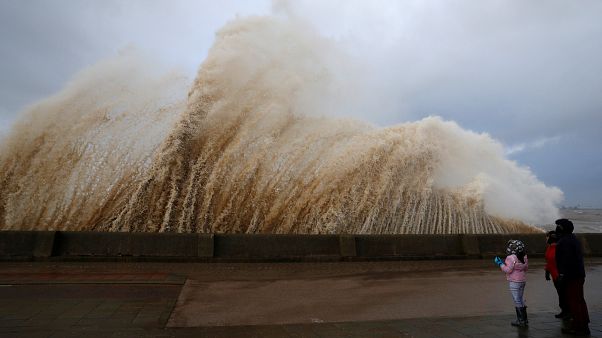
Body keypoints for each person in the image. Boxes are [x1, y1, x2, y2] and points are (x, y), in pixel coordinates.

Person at [555, 218, 590, 336]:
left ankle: (579, 327)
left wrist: (562, 275)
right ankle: (583, 324)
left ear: (562, 229)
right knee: (579, 300)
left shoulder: (565, 242)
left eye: (558, 226)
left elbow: (566, 261)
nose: (556, 228)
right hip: (578, 274)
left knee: (574, 302)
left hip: (572, 276)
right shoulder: (573, 239)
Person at [494, 239, 528, 327]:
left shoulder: (510, 258)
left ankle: (521, 321)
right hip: (522, 280)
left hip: (514, 281)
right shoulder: (524, 256)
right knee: (520, 298)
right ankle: (525, 319)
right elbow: (525, 268)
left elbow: (508, 270)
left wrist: (500, 264)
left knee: (517, 300)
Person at [544, 230, 570, 319]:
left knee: (563, 294)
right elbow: (548, 261)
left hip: (560, 276)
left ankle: (568, 312)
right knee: (560, 294)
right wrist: (547, 272)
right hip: (554, 275)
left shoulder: (558, 248)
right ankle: (564, 311)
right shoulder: (549, 247)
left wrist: (562, 275)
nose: (546, 239)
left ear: (551, 238)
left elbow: (562, 262)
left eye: (547, 237)